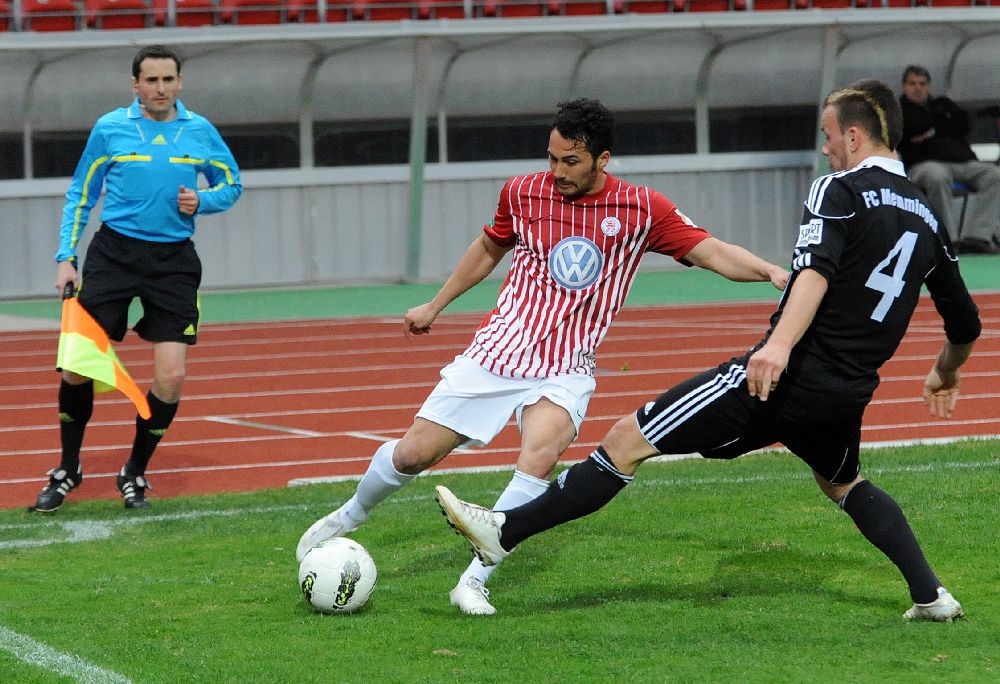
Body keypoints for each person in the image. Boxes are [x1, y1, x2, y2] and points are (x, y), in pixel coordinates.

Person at [435, 80, 981, 622]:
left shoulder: (837, 190)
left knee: (625, 440)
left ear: (855, 137)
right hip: (847, 391)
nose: (825, 148)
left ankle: (505, 531)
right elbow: (965, 321)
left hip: (780, 378)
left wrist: (779, 347)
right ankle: (931, 595)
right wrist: (945, 372)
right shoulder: (927, 214)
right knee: (844, 482)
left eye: (829, 135)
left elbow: (815, 272)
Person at [296, 98, 789, 615]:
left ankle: (474, 580)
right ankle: (350, 514)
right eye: (552, 158)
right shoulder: (522, 192)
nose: (557, 171)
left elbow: (712, 252)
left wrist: (771, 272)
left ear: (602, 159)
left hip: (566, 367)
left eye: (570, 161)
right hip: (497, 354)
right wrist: (435, 305)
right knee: (411, 456)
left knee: (540, 454)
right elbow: (488, 248)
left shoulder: (643, 209)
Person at [32, 45, 243, 512]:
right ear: (135, 85)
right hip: (113, 255)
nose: (160, 88)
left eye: (168, 79)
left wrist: (203, 201)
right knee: (77, 368)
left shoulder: (200, 131)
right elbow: (81, 193)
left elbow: (232, 184)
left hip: (173, 262)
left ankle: (134, 471)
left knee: (172, 377)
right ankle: (68, 468)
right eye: (151, 80)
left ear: (179, 82)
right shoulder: (110, 128)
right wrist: (65, 257)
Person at [898, 64, 1000, 254]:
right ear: (904, 86)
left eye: (922, 83)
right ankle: (947, 240)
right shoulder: (899, 110)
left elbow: (964, 123)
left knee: (995, 175)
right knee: (937, 177)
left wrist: (933, 131)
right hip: (923, 164)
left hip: (961, 160)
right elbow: (914, 126)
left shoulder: (942, 104)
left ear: (929, 86)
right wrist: (943, 125)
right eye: (913, 84)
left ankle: (978, 237)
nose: (918, 88)